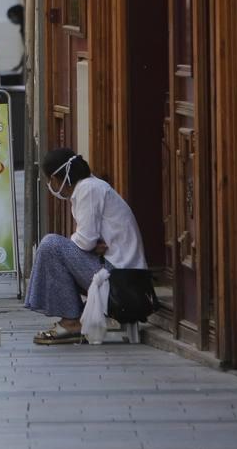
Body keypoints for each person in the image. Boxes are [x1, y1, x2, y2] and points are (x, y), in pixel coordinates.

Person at [25, 148, 147, 345]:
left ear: (57, 178)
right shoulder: (91, 188)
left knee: (51, 245)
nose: (51, 186)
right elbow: (88, 242)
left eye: (50, 180)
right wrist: (88, 245)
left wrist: (88, 245)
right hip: (120, 274)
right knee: (57, 249)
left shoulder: (88, 189)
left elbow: (85, 240)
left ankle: (72, 321)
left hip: (122, 281)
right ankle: (75, 317)